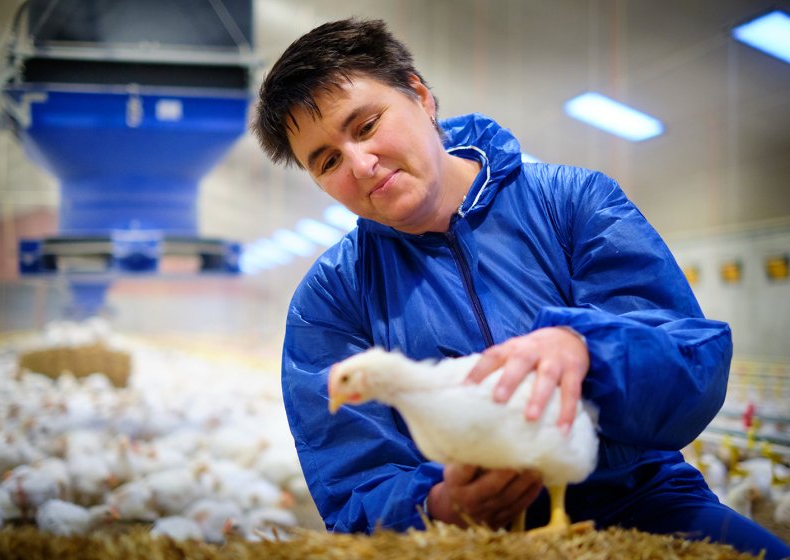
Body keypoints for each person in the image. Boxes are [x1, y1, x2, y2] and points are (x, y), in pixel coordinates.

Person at [251, 17, 790, 559]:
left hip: (642, 499)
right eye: (327, 161)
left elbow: (693, 368)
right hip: (458, 535)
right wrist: (436, 505)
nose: (360, 165)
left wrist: (586, 346)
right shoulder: (332, 298)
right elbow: (350, 480)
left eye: (365, 126)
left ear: (419, 95)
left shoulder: (573, 203)